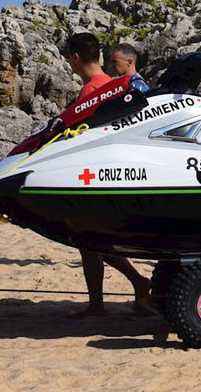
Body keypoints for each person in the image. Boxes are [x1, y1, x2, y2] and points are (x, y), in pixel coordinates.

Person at [61, 33, 157, 318]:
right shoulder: (113, 85)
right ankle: (120, 293)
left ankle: (112, 297)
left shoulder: (91, 90)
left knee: (88, 242)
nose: (68, 63)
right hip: (110, 174)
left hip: (92, 176)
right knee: (91, 243)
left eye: (68, 57)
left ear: (75, 58)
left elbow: (82, 137)